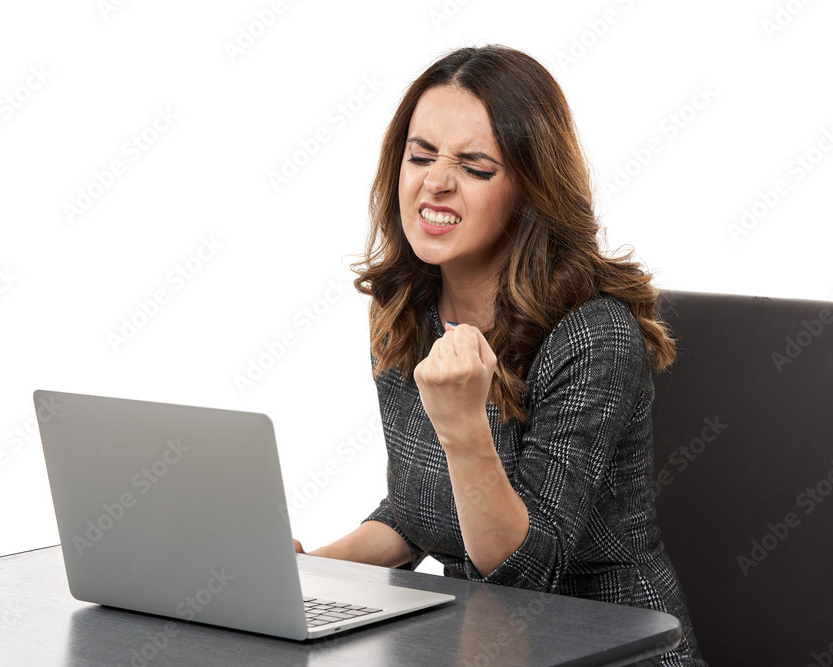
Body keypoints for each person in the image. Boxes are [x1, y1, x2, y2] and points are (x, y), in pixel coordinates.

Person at [292, 44, 707, 666]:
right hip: (483, 647)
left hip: (613, 650)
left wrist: (464, 427)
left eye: (475, 167)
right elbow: (419, 510)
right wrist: (302, 573)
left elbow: (524, 572)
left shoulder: (595, 334)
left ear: (530, 190)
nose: (435, 182)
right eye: (420, 156)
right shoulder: (407, 309)